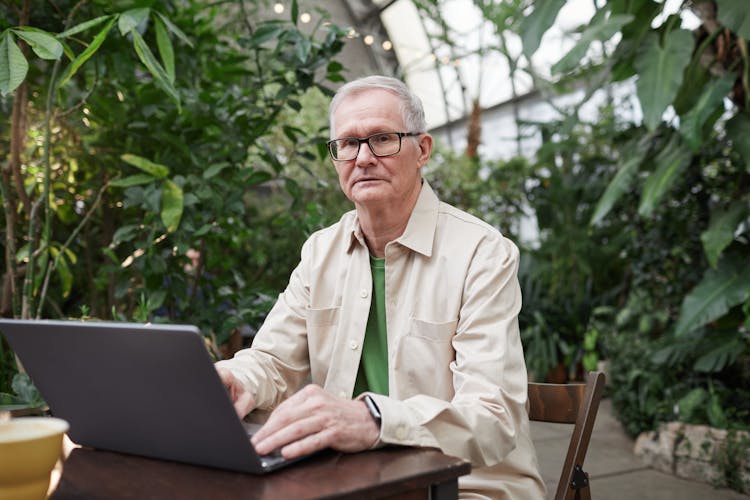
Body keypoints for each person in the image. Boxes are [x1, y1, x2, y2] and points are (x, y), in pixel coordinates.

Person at [215, 75, 545, 499]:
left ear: (422, 149)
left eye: (382, 138)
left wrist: (372, 419)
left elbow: (492, 417)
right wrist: (233, 379)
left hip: (468, 485)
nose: (363, 157)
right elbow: (273, 362)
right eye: (348, 144)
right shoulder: (320, 252)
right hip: (350, 480)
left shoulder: (482, 253)